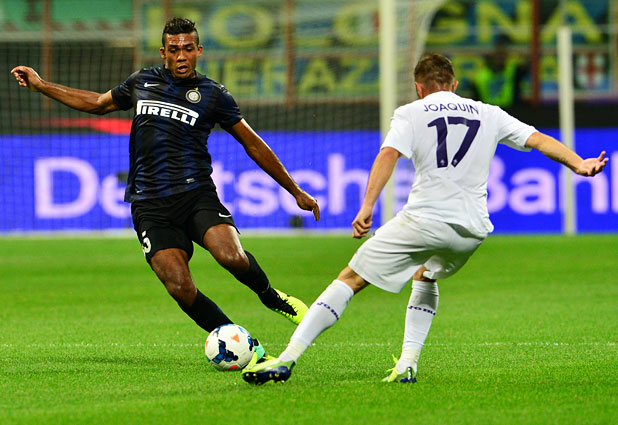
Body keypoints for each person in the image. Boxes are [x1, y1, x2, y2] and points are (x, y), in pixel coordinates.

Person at [242, 53, 608, 384]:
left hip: (425, 220)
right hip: (472, 230)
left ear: (419, 88)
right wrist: (579, 163)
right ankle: (407, 364)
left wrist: (367, 206)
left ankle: (287, 359)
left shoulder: (411, 113)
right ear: (455, 84)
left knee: (350, 278)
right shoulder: (489, 113)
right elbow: (538, 139)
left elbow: (388, 155)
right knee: (426, 274)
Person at [11, 18, 320, 362]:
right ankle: (248, 349)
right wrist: (42, 85)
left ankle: (272, 297)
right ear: (163, 53)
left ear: (199, 51)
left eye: (188, 49)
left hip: (196, 194)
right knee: (180, 288)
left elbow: (253, 144)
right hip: (149, 204)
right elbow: (97, 102)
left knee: (231, 257)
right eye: (174, 50)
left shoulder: (214, 94)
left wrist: (295, 190)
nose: (181, 56)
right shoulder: (142, 81)